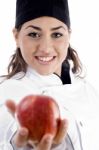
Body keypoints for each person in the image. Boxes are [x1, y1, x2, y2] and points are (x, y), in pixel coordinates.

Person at [0, 0, 99, 149]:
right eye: (33, 34)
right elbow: (11, 130)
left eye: (57, 34)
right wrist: (23, 144)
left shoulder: (88, 89)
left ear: (68, 35)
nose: (45, 48)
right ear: (16, 36)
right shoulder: (9, 91)